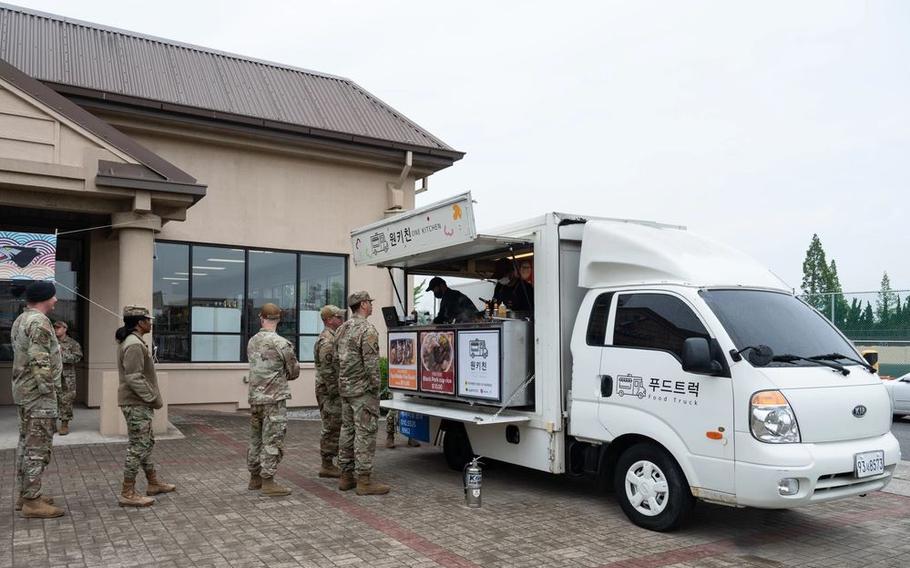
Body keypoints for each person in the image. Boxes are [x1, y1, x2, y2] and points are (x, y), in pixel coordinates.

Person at [11, 281, 64, 518]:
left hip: (25, 393)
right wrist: (49, 391)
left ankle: (27, 494)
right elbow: (40, 360)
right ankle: (32, 502)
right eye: (53, 296)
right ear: (45, 298)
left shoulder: (22, 319)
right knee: (37, 447)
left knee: (26, 443)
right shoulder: (39, 322)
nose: (56, 300)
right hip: (38, 396)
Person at [115, 306, 176, 507]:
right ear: (140, 323)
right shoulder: (133, 344)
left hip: (138, 402)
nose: (151, 323)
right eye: (148, 320)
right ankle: (127, 492)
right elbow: (134, 377)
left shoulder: (135, 341)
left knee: (145, 443)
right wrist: (153, 398)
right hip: (136, 403)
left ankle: (153, 482)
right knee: (138, 447)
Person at [334, 291, 390, 495]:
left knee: (347, 431)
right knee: (365, 432)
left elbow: (334, 360)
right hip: (363, 391)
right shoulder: (368, 329)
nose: (372, 306)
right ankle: (364, 481)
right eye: (370, 302)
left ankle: (345, 476)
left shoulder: (342, 328)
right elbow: (372, 364)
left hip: (346, 389)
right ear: (364, 304)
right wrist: (376, 388)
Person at [247, 303, 300, 496]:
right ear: (278, 319)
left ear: (261, 318)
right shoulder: (281, 343)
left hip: (255, 399)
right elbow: (294, 371)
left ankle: (254, 478)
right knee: (272, 440)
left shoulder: (252, 341)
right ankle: (268, 481)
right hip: (274, 400)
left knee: (255, 439)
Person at [313, 304, 345, 478]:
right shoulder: (327, 340)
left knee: (335, 425)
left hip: (331, 389)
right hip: (329, 391)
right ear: (328, 320)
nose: (341, 320)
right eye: (338, 317)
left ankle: (332, 461)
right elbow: (327, 370)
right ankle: (327, 464)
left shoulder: (333, 337)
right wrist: (335, 392)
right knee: (331, 426)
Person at [53, 320, 82, 436]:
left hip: (67, 376)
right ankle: (52, 424)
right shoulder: (51, 342)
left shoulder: (72, 343)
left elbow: (77, 357)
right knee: (52, 399)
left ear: (65, 329)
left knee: (66, 400)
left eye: (58, 328)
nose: (56, 330)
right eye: (55, 328)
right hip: (52, 375)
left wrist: (62, 354)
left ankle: (64, 424)